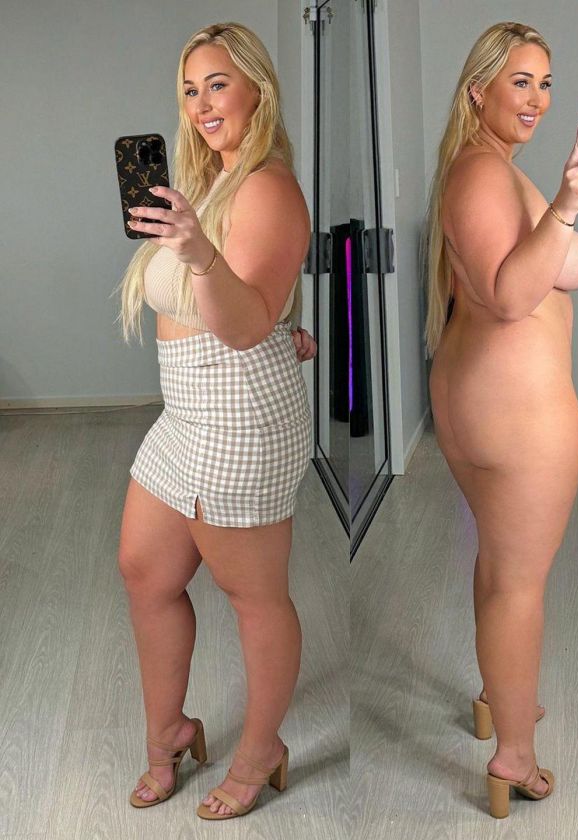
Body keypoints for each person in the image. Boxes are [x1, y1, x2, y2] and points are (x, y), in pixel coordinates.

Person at [113, 22, 317, 820]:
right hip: (186, 410)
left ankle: (261, 749)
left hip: (240, 416)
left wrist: (201, 254)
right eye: (190, 89)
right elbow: (258, 306)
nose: (201, 104)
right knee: (145, 570)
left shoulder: (267, 186)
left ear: (258, 89)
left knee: (254, 595)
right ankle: (170, 729)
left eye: (218, 84)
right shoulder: (208, 183)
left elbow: (242, 324)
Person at [425, 22, 578, 818]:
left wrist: (561, 209)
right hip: (518, 417)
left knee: (500, 565)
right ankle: (514, 756)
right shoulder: (480, 173)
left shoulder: (485, 168)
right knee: (519, 585)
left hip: (488, 407)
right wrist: (569, 204)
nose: (538, 98)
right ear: (478, 90)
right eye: (520, 81)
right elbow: (511, 297)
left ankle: (498, 698)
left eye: (545, 83)